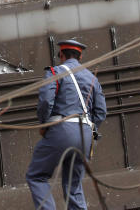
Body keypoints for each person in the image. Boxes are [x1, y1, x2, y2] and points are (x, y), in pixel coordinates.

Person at [26, 39, 107, 210]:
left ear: (61, 55)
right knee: (73, 185)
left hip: (61, 130)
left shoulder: (55, 72)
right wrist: (88, 129)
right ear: (80, 56)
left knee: (36, 176)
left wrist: (44, 124)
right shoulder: (92, 78)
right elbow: (100, 112)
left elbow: (46, 102)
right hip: (85, 135)